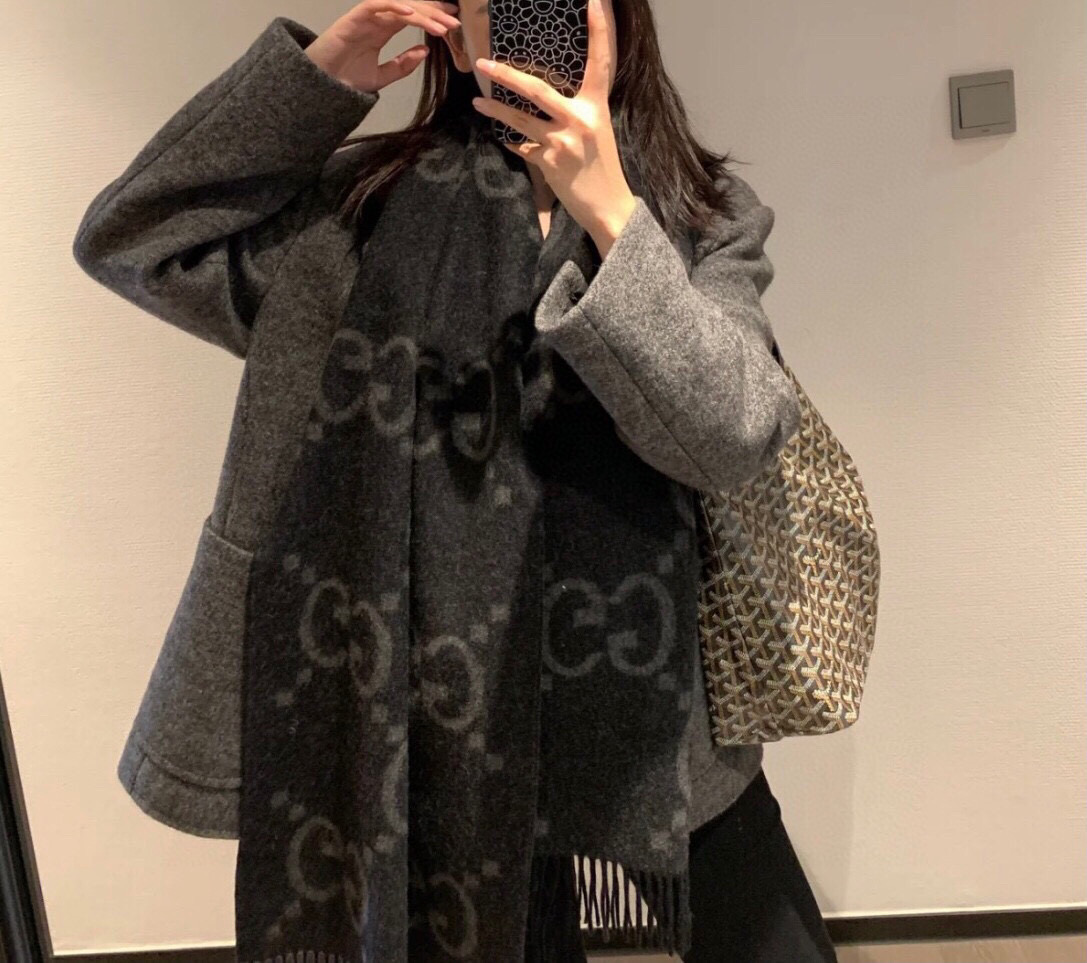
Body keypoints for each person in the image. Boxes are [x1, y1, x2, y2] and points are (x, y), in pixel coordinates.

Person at [73, 1, 834, 960]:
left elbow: (732, 436)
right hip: (426, 725)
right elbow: (132, 241)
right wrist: (318, 83)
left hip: (646, 709)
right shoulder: (357, 211)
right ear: (452, 27)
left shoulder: (693, 217)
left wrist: (612, 217)